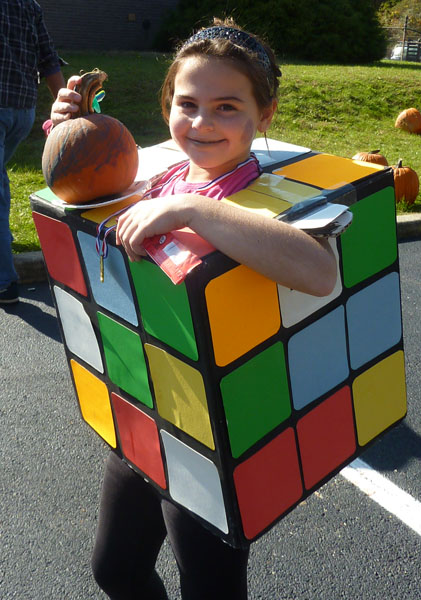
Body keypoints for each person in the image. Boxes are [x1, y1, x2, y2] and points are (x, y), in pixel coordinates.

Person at [49, 18, 337, 599]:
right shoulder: (162, 171)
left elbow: (319, 271)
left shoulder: (271, 196)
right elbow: (89, 182)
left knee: (209, 590)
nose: (203, 123)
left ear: (266, 114)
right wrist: (75, 132)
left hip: (217, 434)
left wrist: (195, 210)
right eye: (188, 104)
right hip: (145, 404)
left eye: (227, 107)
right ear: (168, 106)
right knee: (115, 569)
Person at [0, 0, 65, 304]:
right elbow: (48, 58)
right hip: (22, 111)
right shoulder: (28, 4)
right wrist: (66, 103)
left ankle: (4, 282)